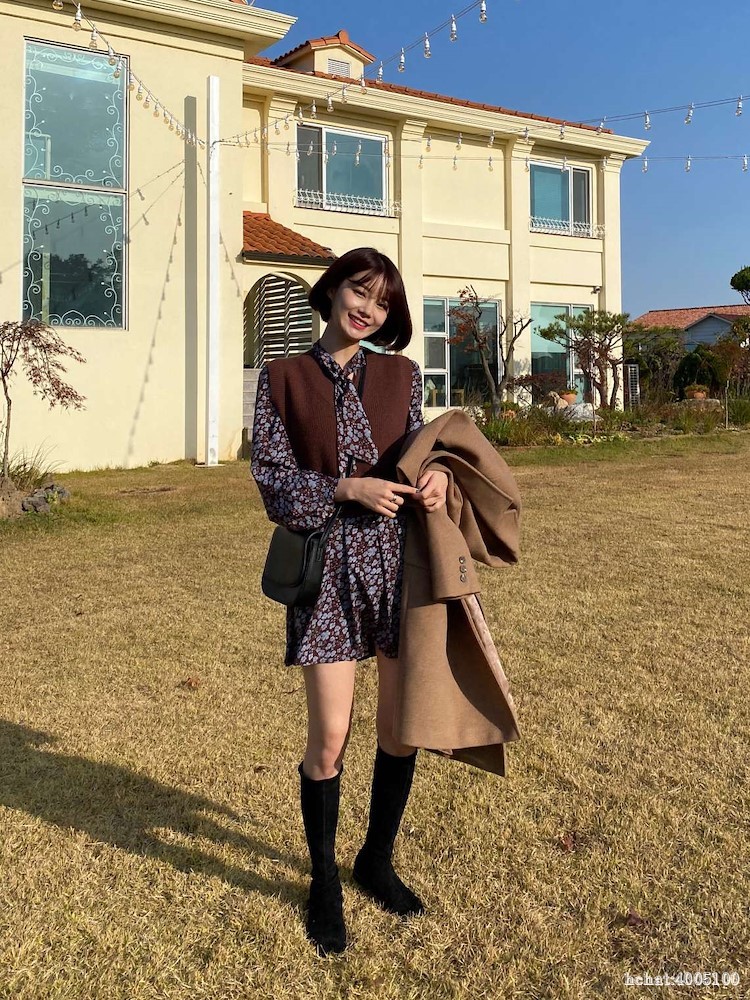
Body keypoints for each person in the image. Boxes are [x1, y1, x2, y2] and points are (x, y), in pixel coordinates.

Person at [251, 247, 448, 956]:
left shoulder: (402, 375)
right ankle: (325, 881)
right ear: (333, 290)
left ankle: (376, 860)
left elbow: (423, 457)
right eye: (360, 291)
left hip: (396, 567)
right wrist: (344, 488)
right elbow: (270, 478)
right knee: (330, 738)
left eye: (383, 301)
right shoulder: (283, 377)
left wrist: (436, 481)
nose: (368, 308)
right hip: (327, 571)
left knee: (400, 728)